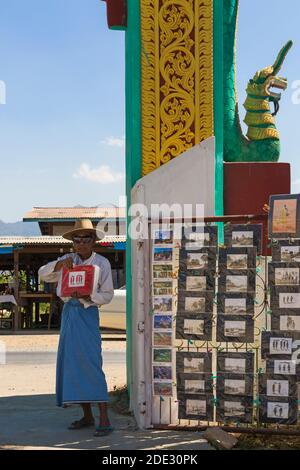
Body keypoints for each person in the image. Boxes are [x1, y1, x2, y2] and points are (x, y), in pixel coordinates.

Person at [39, 219, 114, 437]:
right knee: (72, 363)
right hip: (69, 314)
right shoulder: (67, 259)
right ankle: (88, 416)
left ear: (94, 242)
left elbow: (107, 295)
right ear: (73, 243)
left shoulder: (102, 263)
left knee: (91, 363)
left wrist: (89, 296)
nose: (81, 244)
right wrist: (58, 266)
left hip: (88, 313)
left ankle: (104, 418)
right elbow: (43, 273)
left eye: (85, 239)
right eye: (77, 240)